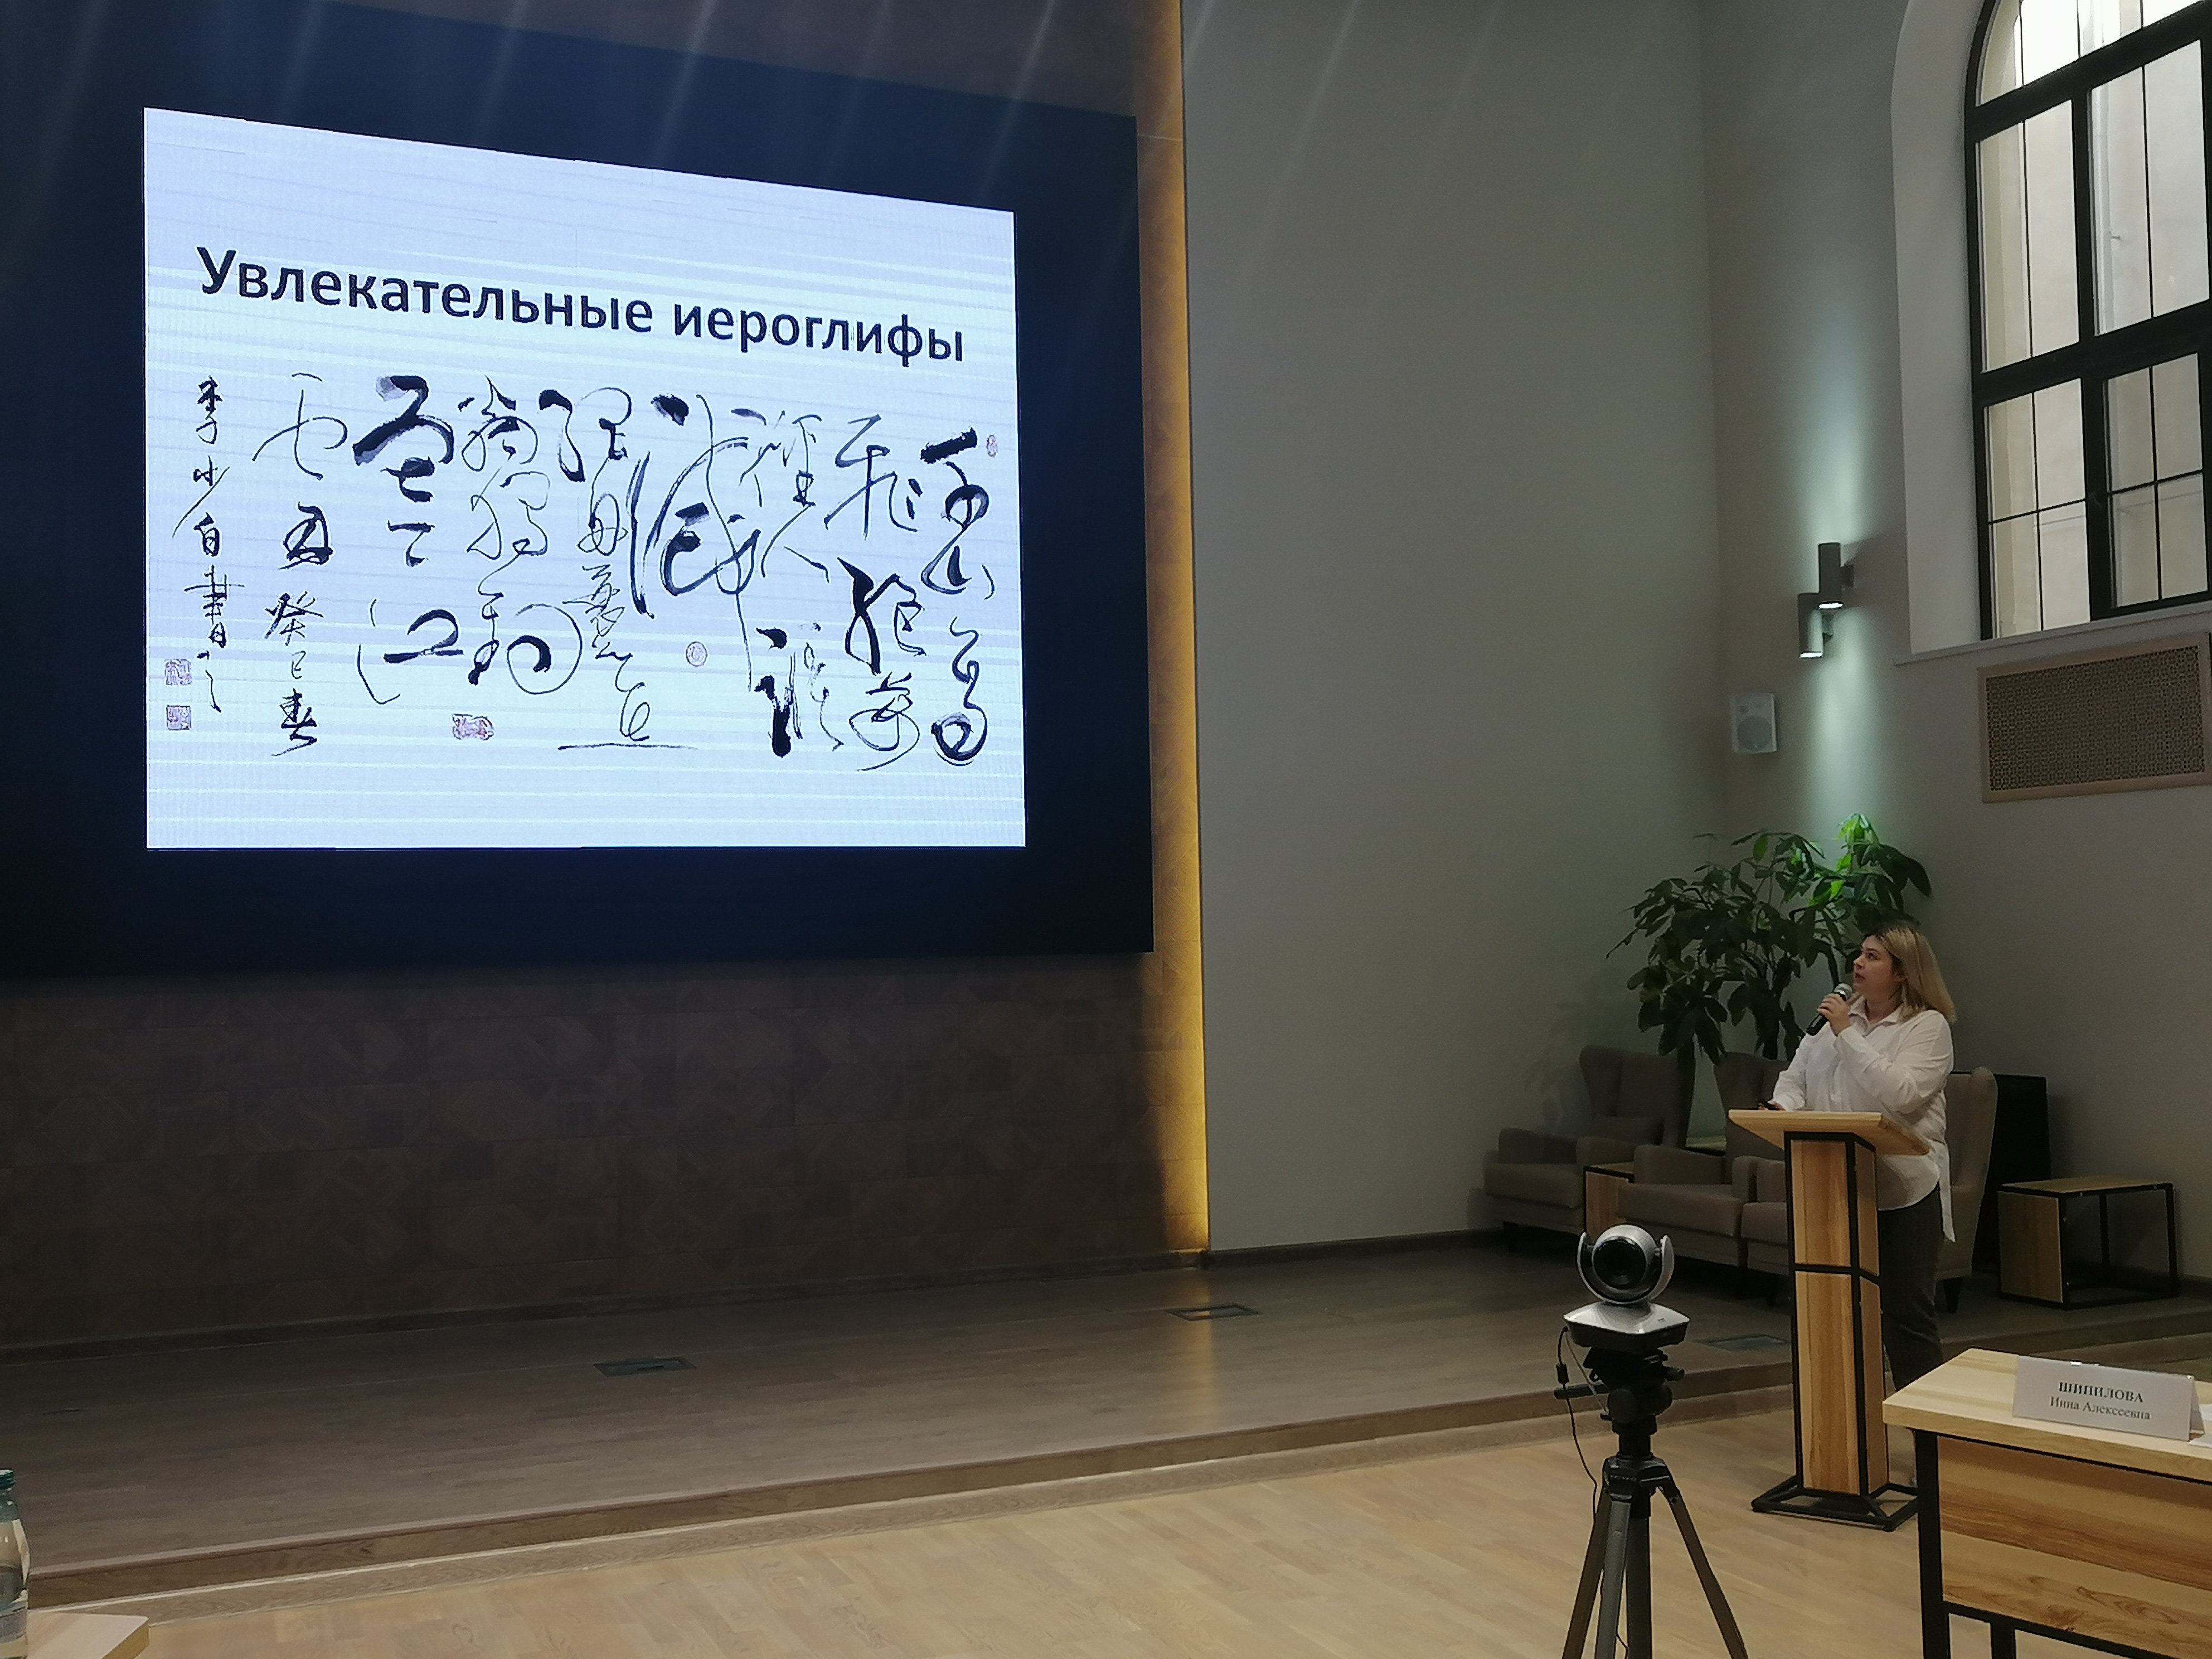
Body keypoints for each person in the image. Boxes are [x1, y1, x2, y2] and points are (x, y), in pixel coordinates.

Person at [1762, 923, 1958, 1390]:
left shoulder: (1926, 1027)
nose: (1858, 962)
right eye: (1860, 953)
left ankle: (1927, 1434)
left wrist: (1847, 1034)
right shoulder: (1834, 1023)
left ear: (1903, 972)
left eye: (1873, 956)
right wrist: (1782, 1107)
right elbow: (1795, 1079)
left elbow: (1903, 1093)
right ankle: (1842, 1433)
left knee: (1905, 1318)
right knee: (1832, 1314)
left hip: (1904, 1191)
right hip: (1834, 1186)